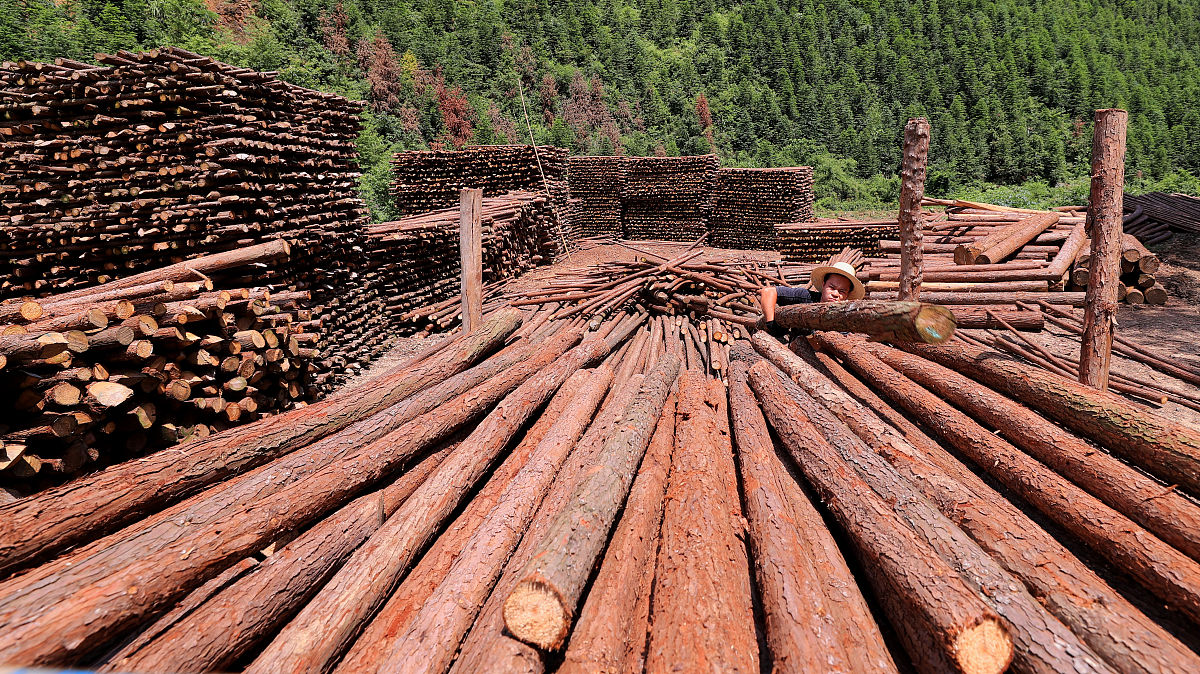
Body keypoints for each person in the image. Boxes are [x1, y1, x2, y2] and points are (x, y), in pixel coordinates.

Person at [759, 261, 865, 333]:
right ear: (823, 284)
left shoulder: (847, 319)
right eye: (832, 287)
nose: (835, 294)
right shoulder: (806, 297)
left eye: (842, 291)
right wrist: (771, 323)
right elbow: (768, 291)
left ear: (847, 295)